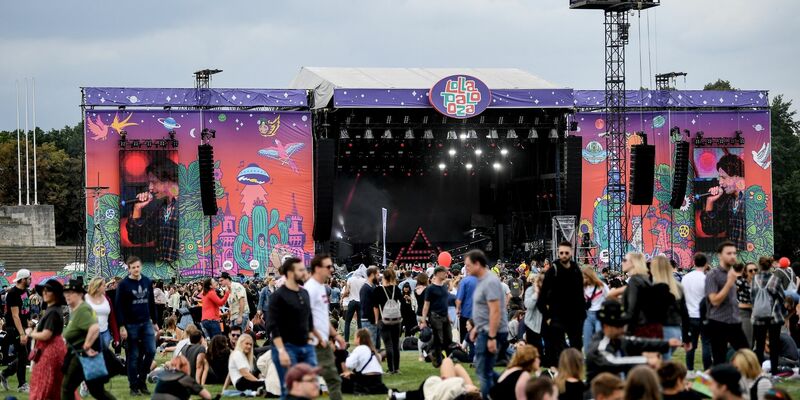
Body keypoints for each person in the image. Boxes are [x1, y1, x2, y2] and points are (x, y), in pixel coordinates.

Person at [585, 300, 683, 383]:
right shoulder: (599, 347)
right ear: (606, 326)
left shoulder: (617, 339)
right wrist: (646, 361)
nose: (622, 330)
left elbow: (638, 342)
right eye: (618, 326)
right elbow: (614, 361)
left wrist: (667, 343)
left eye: (623, 325)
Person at [267, 256, 318, 399]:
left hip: (306, 347)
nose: (304, 272)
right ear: (290, 273)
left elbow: (309, 319)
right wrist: (281, 350)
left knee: (308, 389)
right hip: (286, 348)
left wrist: (312, 339)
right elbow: (272, 324)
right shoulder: (278, 296)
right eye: (300, 270)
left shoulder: (304, 293)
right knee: (291, 392)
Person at [464, 249, 509, 399]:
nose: (466, 268)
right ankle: (508, 389)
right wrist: (477, 327)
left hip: (492, 331)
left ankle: (491, 395)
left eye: (468, 265)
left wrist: (491, 337)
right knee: (485, 370)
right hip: (485, 329)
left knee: (483, 371)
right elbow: (485, 310)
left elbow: (495, 311)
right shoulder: (482, 281)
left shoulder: (490, 282)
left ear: (478, 264)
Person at [61, 279, 117, 400]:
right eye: (66, 293)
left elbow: (94, 327)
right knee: (97, 391)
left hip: (81, 353)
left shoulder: (83, 308)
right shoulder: (78, 308)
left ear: (80, 294)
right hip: (79, 352)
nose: (67, 295)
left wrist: (86, 345)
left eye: (71, 293)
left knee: (67, 388)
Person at [116, 255, 159, 395]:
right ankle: (134, 387)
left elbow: (152, 302)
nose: (136, 269)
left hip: (146, 322)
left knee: (151, 351)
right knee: (133, 357)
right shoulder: (123, 285)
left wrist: (156, 321)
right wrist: (121, 326)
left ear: (141, 266)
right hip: (130, 325)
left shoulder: (147, 281)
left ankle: (142, 382)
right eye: (133, 267)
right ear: (128, 269)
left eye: (137, 266)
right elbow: (119, 306)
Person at [537, 241, 586, 366]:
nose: (564, 255)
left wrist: (582, 314)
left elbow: (580, 294)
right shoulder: (553, 271)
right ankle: (561, 371)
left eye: (566, 253)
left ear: (571, 253)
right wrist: (547, 316)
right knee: (558, 346)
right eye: (561, 253)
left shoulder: (576, 269)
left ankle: (575, 370)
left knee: (576, 345)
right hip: (556, 315)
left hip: (574, 316)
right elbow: (541, 297)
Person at [304, 253, 344, 400]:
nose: (331, 269)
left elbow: (322, 317)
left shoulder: (321, 287)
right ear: (317, 268)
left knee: (318, 381)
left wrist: (335, 335)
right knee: (332, 379)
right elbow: (306, 319)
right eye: (328, 266)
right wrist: (320, 337)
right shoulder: (310, 289)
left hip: (321, 341)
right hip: (315, 343)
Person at [127, 157, 180, 262]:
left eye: (154, 182)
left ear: (169, 180)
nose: (150, 188)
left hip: (184, 273)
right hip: (164, 272)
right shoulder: (161, 210)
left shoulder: (188, 206)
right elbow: (136, 237)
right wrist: (137, 208)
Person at [706, 241, 750, 365]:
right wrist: (730, 283)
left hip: (734, 321)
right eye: (729, 253)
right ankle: (716, 382)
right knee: (719, 360)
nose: (732, 256)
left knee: (747, 354)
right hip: (718, 322)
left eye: (734, 253)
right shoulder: (712, 275)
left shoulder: (734, 273)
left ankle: (752, 381)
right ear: (720, 255)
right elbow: (714, 300)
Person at [29, 279, 67, 400]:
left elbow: (46, 335)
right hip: (52, 349)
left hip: (51, 351)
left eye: (48, 290)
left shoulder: (53, 312)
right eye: (44, 290)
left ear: (55, 294)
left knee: (45, 383)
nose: (44, 293)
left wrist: (31, 333)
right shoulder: (52, 310)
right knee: (54, 385)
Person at [701, 153, 746, 250]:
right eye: (719, 178)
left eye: (724, 177)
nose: (720, 182)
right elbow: (710, 229)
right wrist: (710, 201)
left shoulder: (751, 199)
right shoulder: (728, 201)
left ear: (737, 176)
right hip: (733, 260)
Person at [651, 255, 691, 360]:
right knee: (664, 360)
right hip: (675, 331)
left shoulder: (651, 287)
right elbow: (685, 313)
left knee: (661, 363)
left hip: (659, 330)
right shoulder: (678, 287)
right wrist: (686, 338)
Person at [751, 256, 786, 375]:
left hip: (758, 316)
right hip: (773, 317)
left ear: (759, 265)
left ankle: (758, 371)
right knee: (774, 344)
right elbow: (782, 297)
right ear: (771, 265)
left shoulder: (754, 279)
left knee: (759, 344)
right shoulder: (775, 279)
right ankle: (774, 371)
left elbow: (752, 297)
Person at [387, 357, 482, 400]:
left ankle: (398, 395)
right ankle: (398, 395)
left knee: (448, 362)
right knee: (455, 366)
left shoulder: (458, 389)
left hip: (443, 390)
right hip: (443, 389)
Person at [0, 268, 31, 392]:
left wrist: (29, 324)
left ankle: (5, 373)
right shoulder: (13, 293)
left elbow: (26, 311)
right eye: (29, 278)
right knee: (23, 354)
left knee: (24, 355)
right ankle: (22, 385)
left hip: (22, 327)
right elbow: (15, 315)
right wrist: (22, 333)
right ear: (23, 279)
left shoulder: (26, 292)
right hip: (14, 328)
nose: (30, 280)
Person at [684, 252, 713, 371]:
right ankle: (707, 370)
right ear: (706, 264)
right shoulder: (706, 279)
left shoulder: (686, 278)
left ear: (694, 263)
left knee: (691, 345)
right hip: (704, 315)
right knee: (706, 344)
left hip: (690, 315)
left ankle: (690, 370)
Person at [621, 252, 660, 338]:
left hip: (637, 329)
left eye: (624, 260)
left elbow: (632, 309)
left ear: (633, 262)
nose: (622, 262)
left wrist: (617, 322)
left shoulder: (634, 281)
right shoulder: (644, 279)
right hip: (647, 327)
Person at [372, 268, 404, 374]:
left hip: (384, 319)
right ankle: (397, 368)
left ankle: (391, 368)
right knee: (395, 344)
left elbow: (376, 307)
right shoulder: (397, 289)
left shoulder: (378, 290)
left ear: (384, 278)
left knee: (388, 345)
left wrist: (377, 320)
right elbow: (402, 302)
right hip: (396, 320)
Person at [420, 266, 452, 367]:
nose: (446, 274)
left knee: (448, 339)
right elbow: (426, 305)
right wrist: (423, 320)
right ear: (437, 273)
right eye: (444, 272)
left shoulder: (444, 287)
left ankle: (442, 358)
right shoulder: (430, 289)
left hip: (444, 316)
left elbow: (445, 303)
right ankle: (439, 361)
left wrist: (448, 316)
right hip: (435, 316)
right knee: (439, 339)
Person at [341, 328, 388, 395]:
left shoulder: (360, 348)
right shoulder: (371, 349)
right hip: (378, 380)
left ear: (358, 339)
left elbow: (348, 364)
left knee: (341, 379)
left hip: (366, 381)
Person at [87, 277, 120, 350]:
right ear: (97, 287)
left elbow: (112, 318)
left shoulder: (107, 299)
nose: (106, 286)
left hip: (105, 334)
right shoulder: (86, 299)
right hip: (91, 335)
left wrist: (116, 336)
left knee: (103, 358)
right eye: (104, 285)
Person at [583, 265, 608, 353]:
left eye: (586, 277)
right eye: (584, 277)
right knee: (587, 341)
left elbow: (608, 298)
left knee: (599, 340)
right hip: (588, 315)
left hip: (599, 315)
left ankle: (600, 359)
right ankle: (590, 361)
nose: (585, 279)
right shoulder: (583, 287)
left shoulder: (602, 286)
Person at [342, 265, 367, 343]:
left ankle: (346, 341)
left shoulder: (350, 279)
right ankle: (360, 341)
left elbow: (347, 291)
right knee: (360, 323)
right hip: (360, 302)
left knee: (347, 322)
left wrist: (342, 297)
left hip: (352, 301)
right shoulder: (364, 280)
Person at [359, 266, 381, 349]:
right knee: (371, 346)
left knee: (376, 346)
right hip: (369, 321)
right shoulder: (365, 289)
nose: (379, 277)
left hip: (373, 321)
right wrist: (374, 320)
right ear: (372, 275)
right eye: (378, 275)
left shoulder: (372, 287)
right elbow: (366, 307)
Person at [524, 273, 545, 357]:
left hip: (544, 322)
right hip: (531, 323)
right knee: (533, 349)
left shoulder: (548, 290)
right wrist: (536, 294)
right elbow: (528, 305)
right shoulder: (530, 290)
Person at [455, 268, 477, 343]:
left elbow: (459, 299)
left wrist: (457, 310)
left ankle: (464, 351)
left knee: (464, 335)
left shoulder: (464, 281)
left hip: (465, 313)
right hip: (478, 314)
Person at [738, 262, 757, 347]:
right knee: (748, 340)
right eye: (750, 270)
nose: (753, 272)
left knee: (755, 340)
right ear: (745, 272)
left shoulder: (759, 283)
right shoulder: (741, 281)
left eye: (755, 270)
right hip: (745, 312)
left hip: (757, 313)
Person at [413, 273, 428, 361]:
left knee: (422, 335)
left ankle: (420, 354)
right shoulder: (427, 289)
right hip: (425, 314)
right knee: (428, 334)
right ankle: (426, 353)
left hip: (418, 313)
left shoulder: (416, 290)